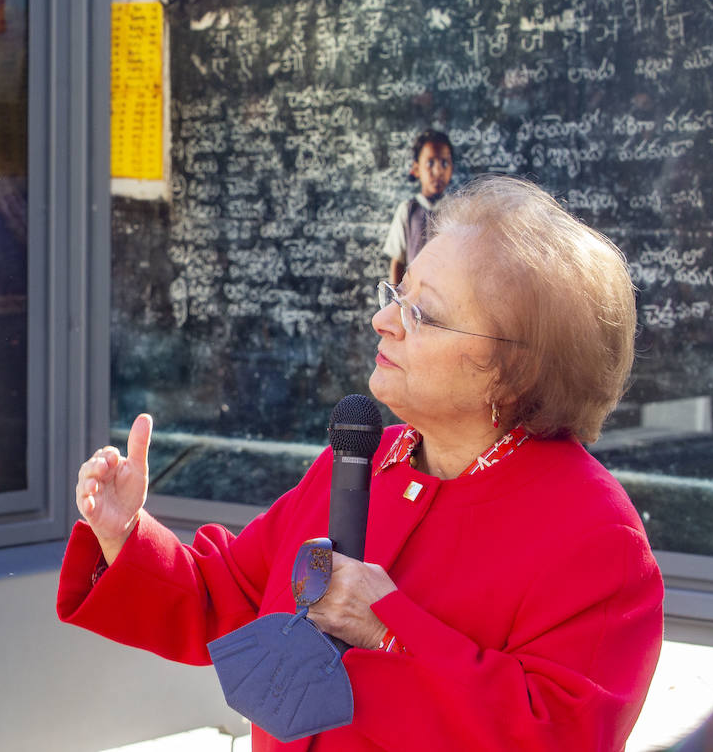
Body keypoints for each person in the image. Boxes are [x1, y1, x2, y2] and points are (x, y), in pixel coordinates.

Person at [58, 175, 664, 751]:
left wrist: (388, 628)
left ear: (516, 372)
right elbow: (230, 598)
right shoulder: (368, 460)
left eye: (420, 315)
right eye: (395, 295)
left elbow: (557, 736)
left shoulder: (592, 535)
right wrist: (124, 534)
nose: (383, 321)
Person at [383, 128, 453, 284]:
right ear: (416, 169)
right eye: (430, 163)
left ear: (452, 168)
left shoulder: (457, 210)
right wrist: (396, 301)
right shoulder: (407, 210)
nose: (438, 171)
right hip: (415, 297)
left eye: (445, 163)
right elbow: (398, 262)